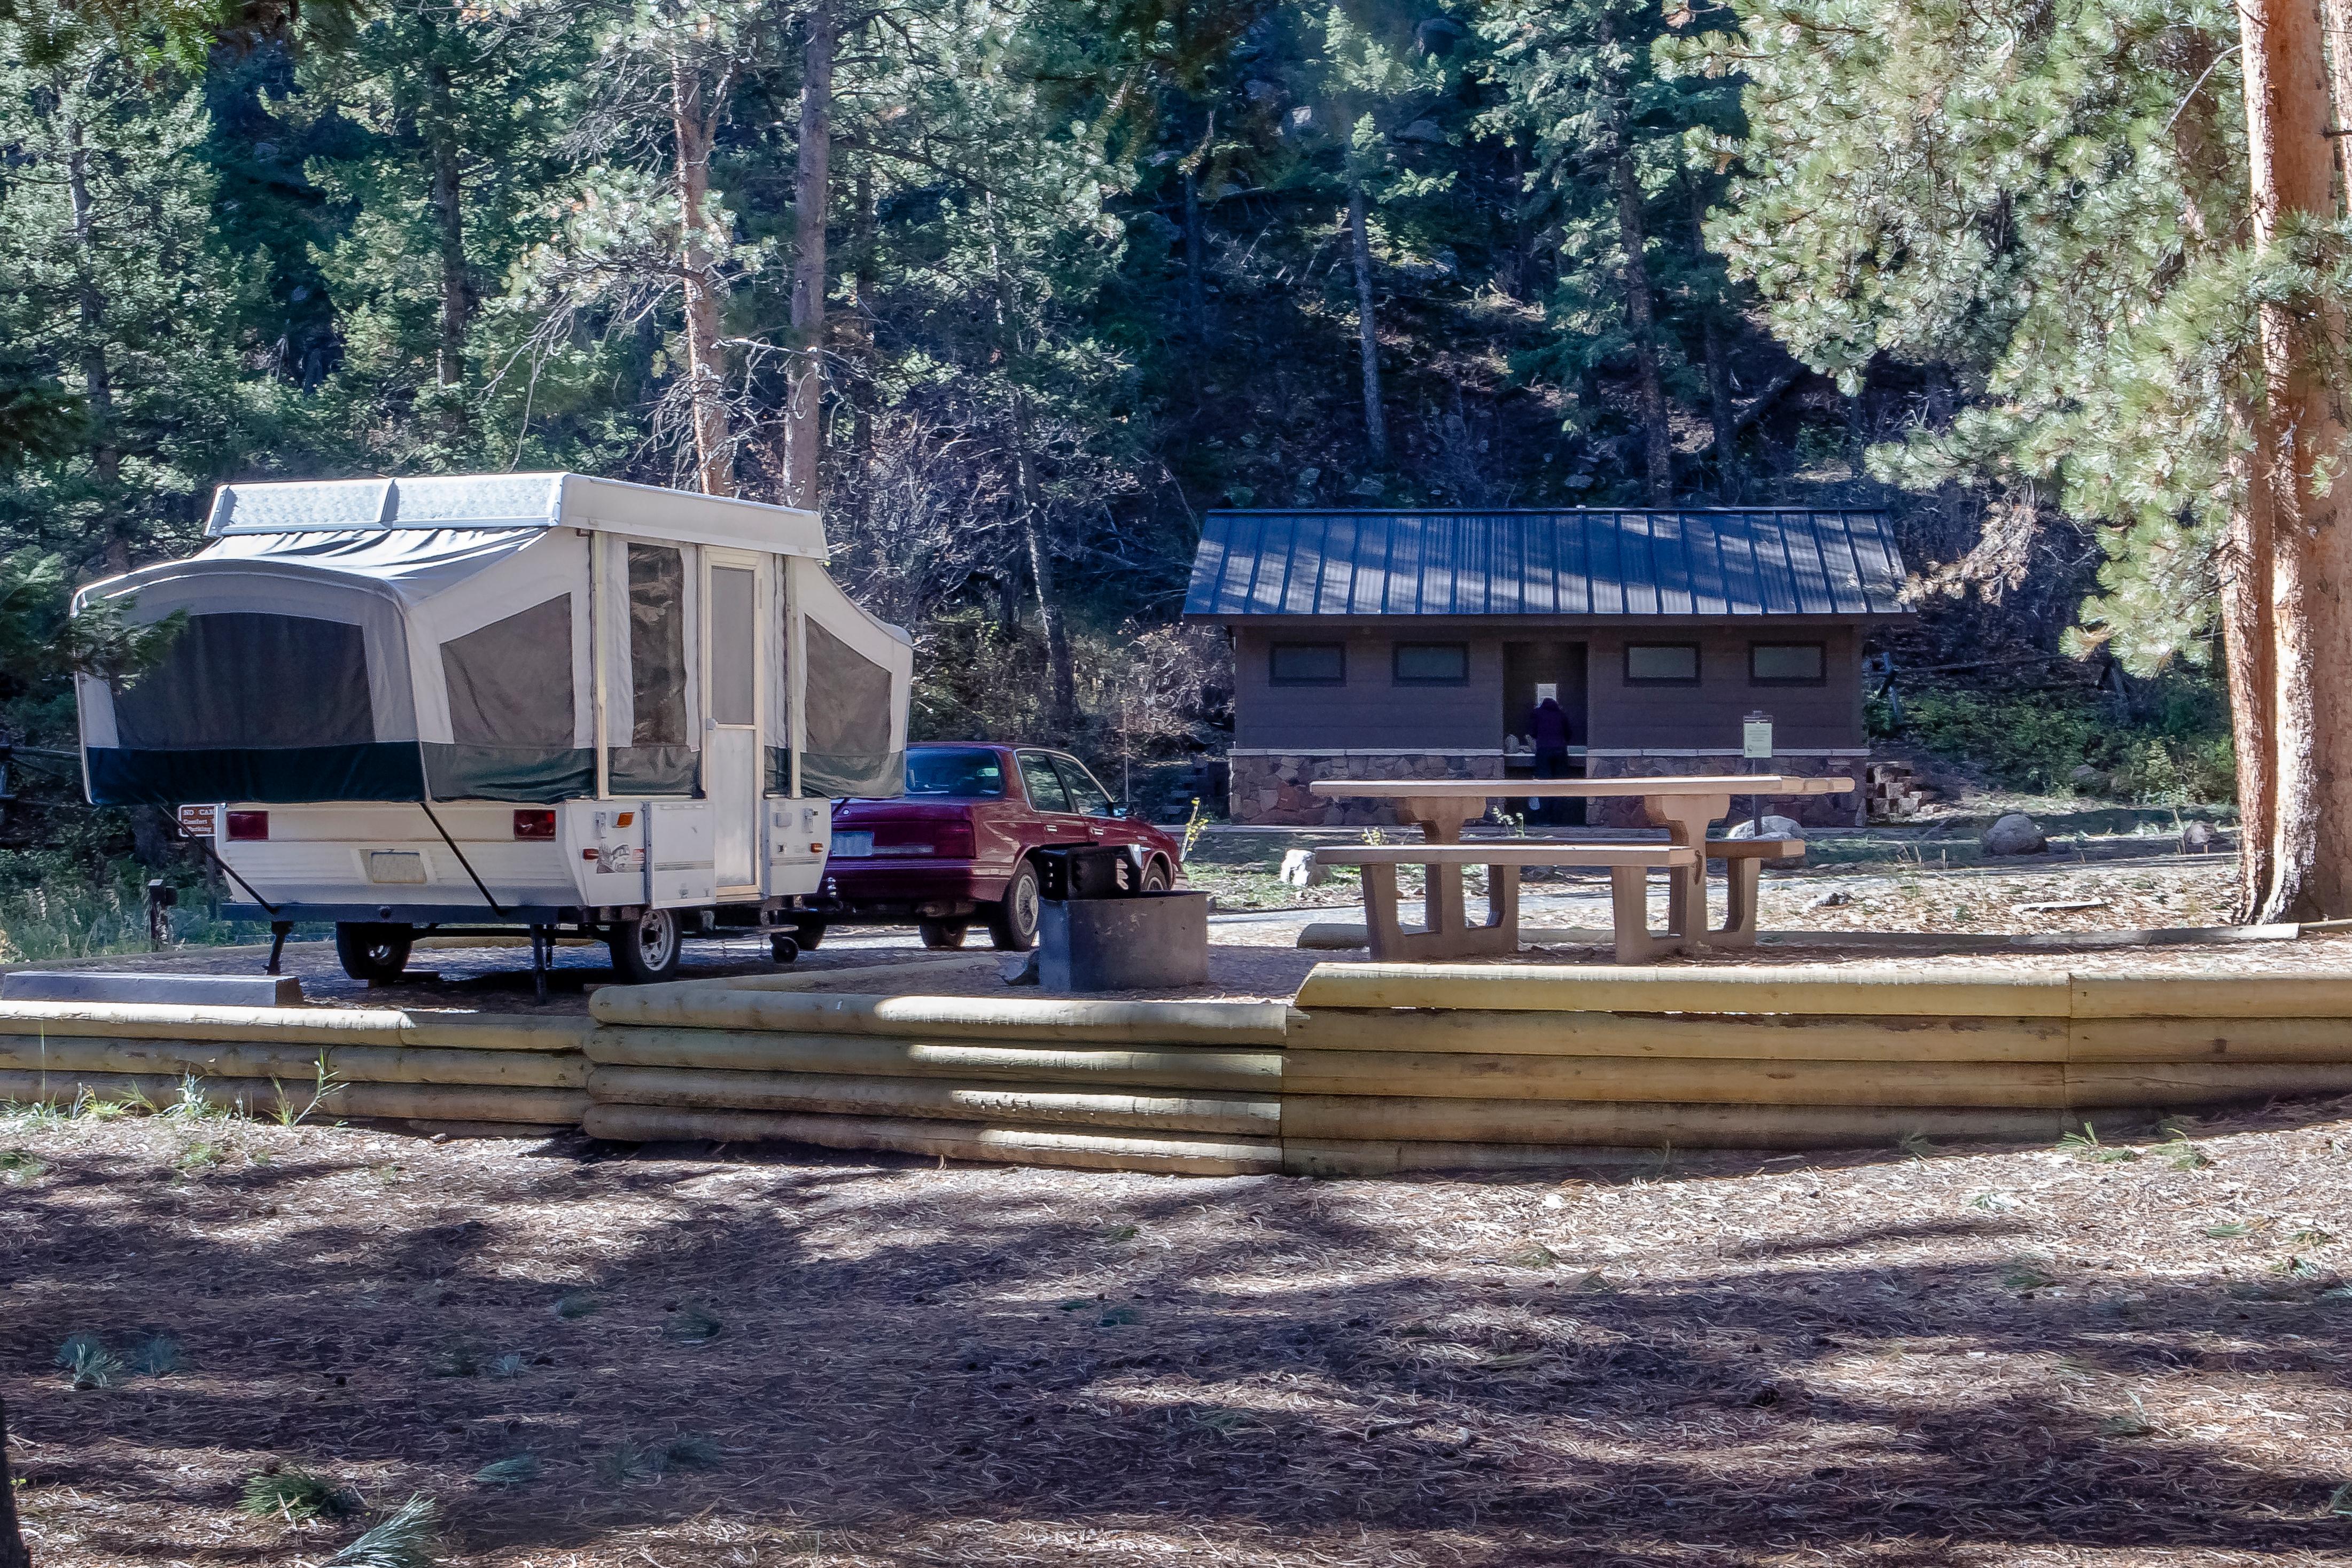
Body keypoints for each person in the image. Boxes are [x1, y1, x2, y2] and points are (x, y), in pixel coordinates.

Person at [1527, 695, 1572, 825]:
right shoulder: (1561, 714)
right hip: (1560, 751)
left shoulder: (1537, 713)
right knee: (1560, 784)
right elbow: (1569, 733)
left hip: (1544, 751)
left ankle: (1544, 820)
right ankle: (1558, 820)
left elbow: (1533, 732)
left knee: (1544, 785)